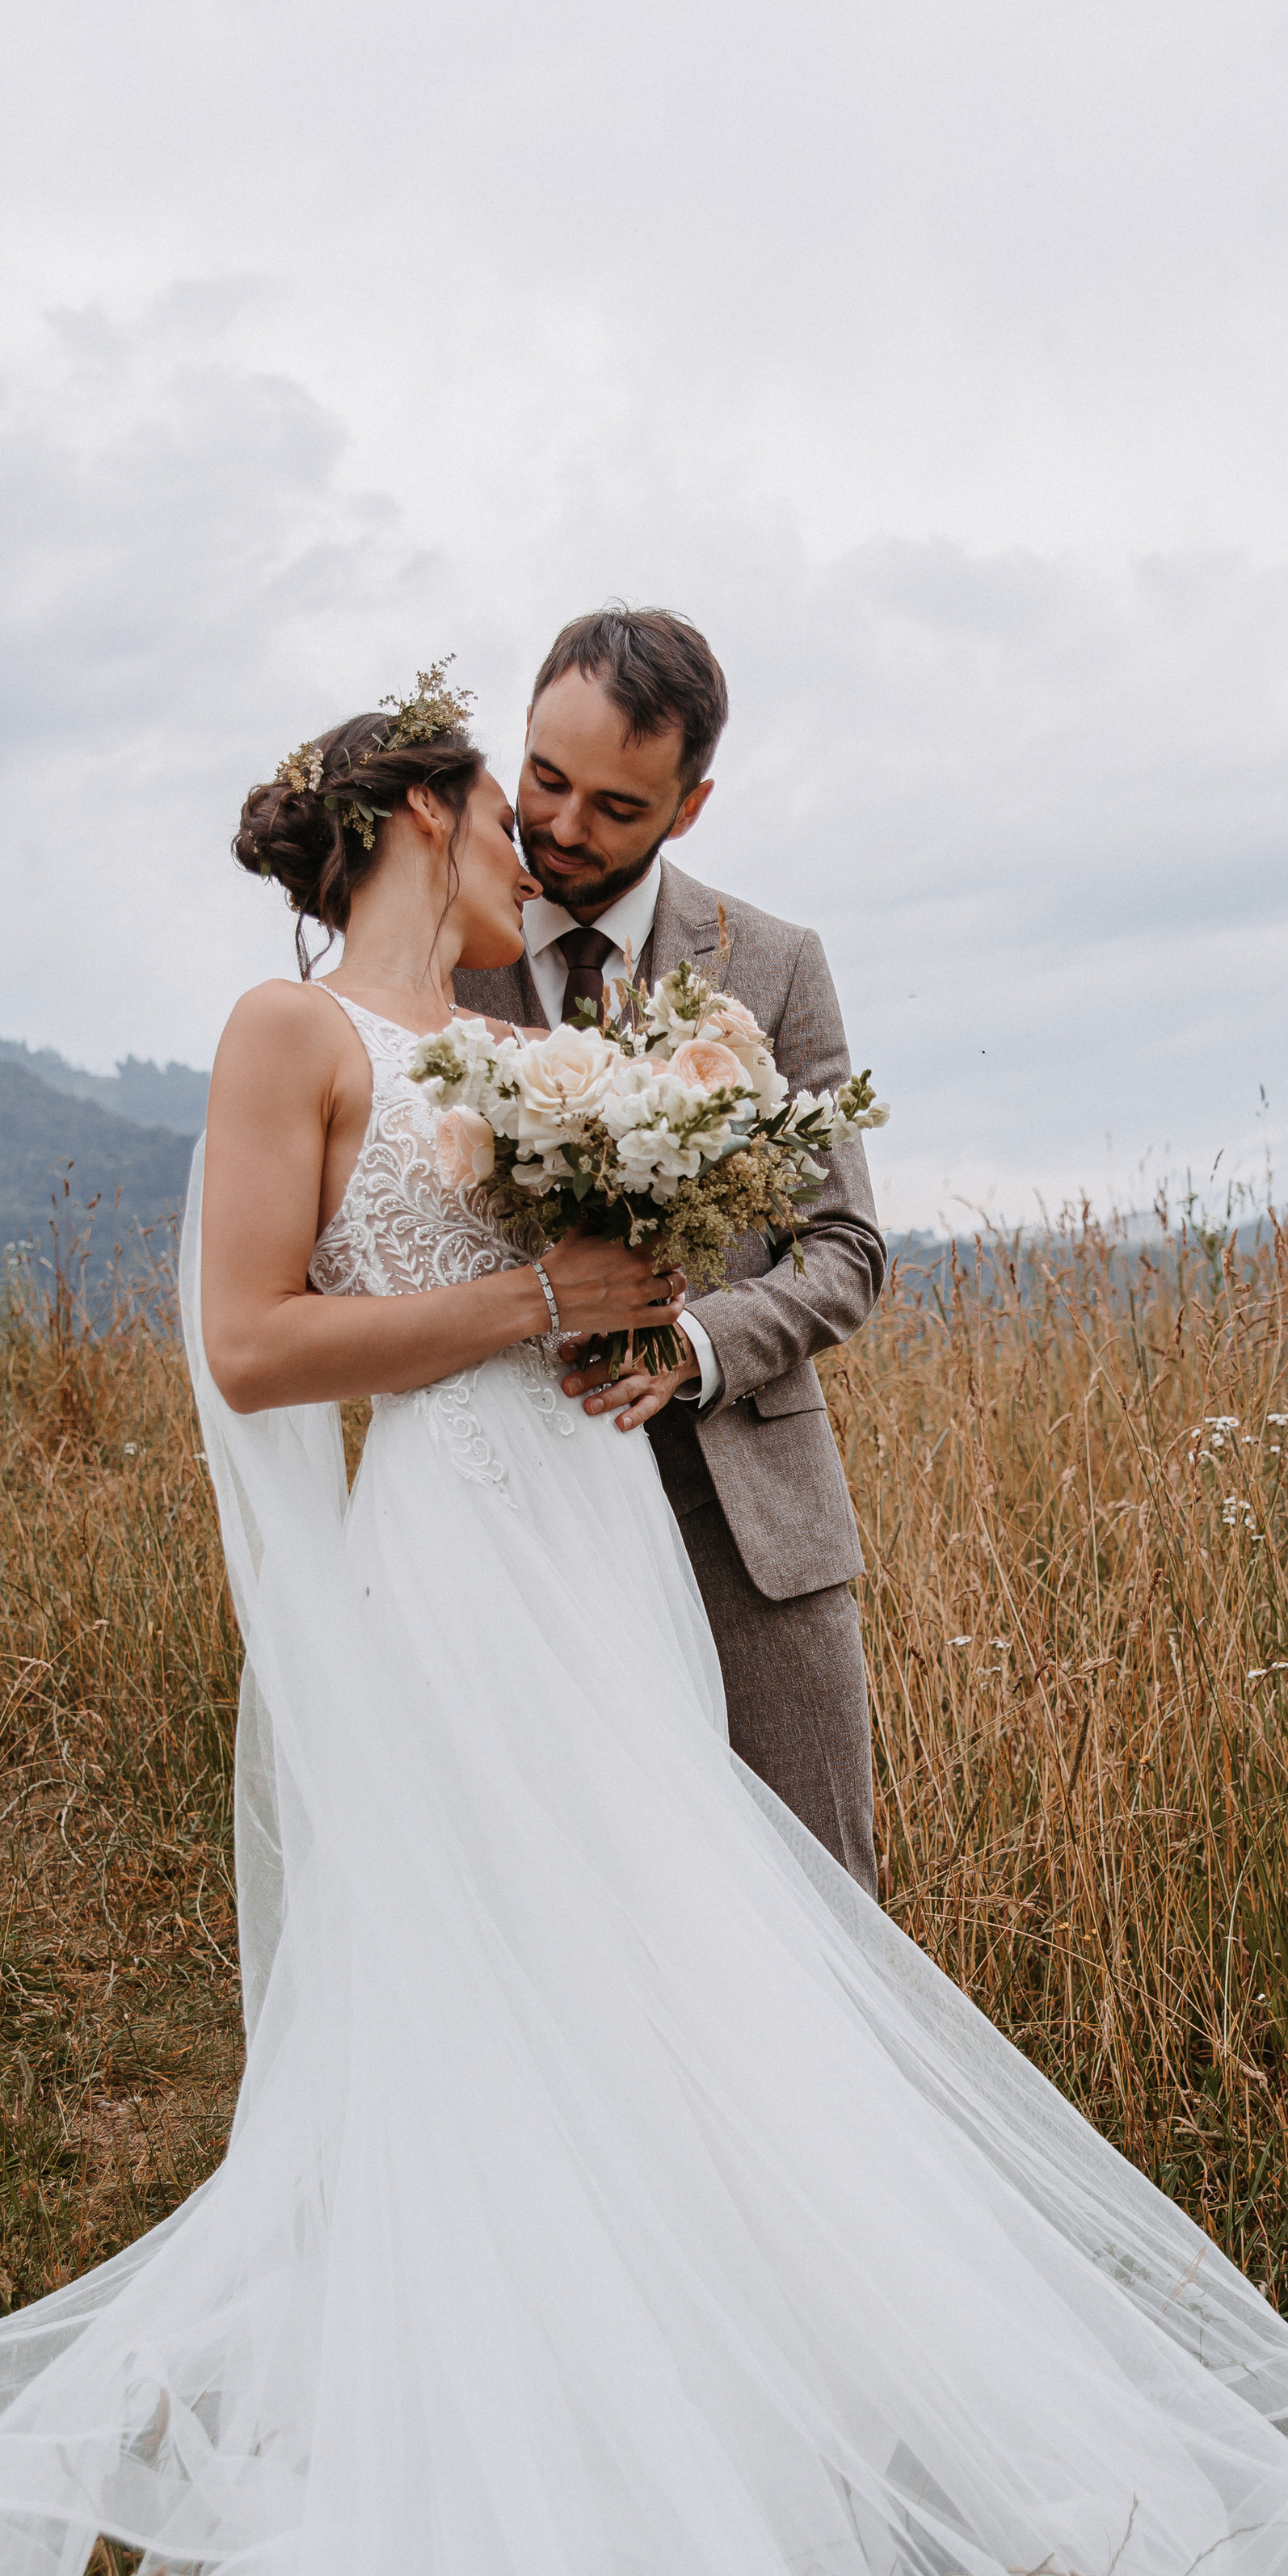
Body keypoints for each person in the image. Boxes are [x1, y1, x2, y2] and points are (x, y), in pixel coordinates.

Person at [0, 673, 1288, 2576]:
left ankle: (747, 2490)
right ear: (409, 815)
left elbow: (740, 1254)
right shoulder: (290, 1037)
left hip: (602, 1571)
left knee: (664, 2001)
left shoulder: (512, 1042)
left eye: (573, 802)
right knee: (509, 2025)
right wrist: (527, 1299)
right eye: (499, 796)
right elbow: (258, 1340)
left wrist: (637, 1297)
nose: (533, 837)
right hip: (456, 1583)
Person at [454, 608, 884, 1892]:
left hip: (748, 1532)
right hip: (510, 1522)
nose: (565, 827)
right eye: (544, 779)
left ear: (689, 809)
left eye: (617, 806)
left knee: (821, 1908)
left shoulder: (776, 965)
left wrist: (695, 1343)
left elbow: (847, 1248)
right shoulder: (432, 967)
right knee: (568, 1910)